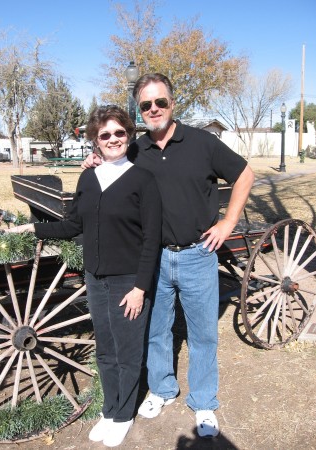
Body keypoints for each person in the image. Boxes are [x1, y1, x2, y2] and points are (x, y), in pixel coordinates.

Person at [82, 73, 255, 438]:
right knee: (156, 330)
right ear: (140, 111)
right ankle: (161, 389)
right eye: (146, 105)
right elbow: (109, 163)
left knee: (203, 333)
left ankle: (204, 401)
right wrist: (91, 163)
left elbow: (244, 174)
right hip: (152, 258)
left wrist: (228, 222)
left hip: (197, 254)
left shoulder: (202, 143)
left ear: (172, 104)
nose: (154, 109)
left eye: (160, 102)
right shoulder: (134, 149)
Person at [7, 105, 162, 448]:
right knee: (105, 349)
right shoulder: (88, 178)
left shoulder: (142, 180)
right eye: (105, 134)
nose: (113, 139)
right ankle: (109, 410)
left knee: (127, 351)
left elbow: (152, 239)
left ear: (128, 136)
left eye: (119, 133)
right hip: (95, 278)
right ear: (96, 139)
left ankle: (123, 415)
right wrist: (32, 227)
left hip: (128, 281)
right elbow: (74, 224)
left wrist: (139, 287)